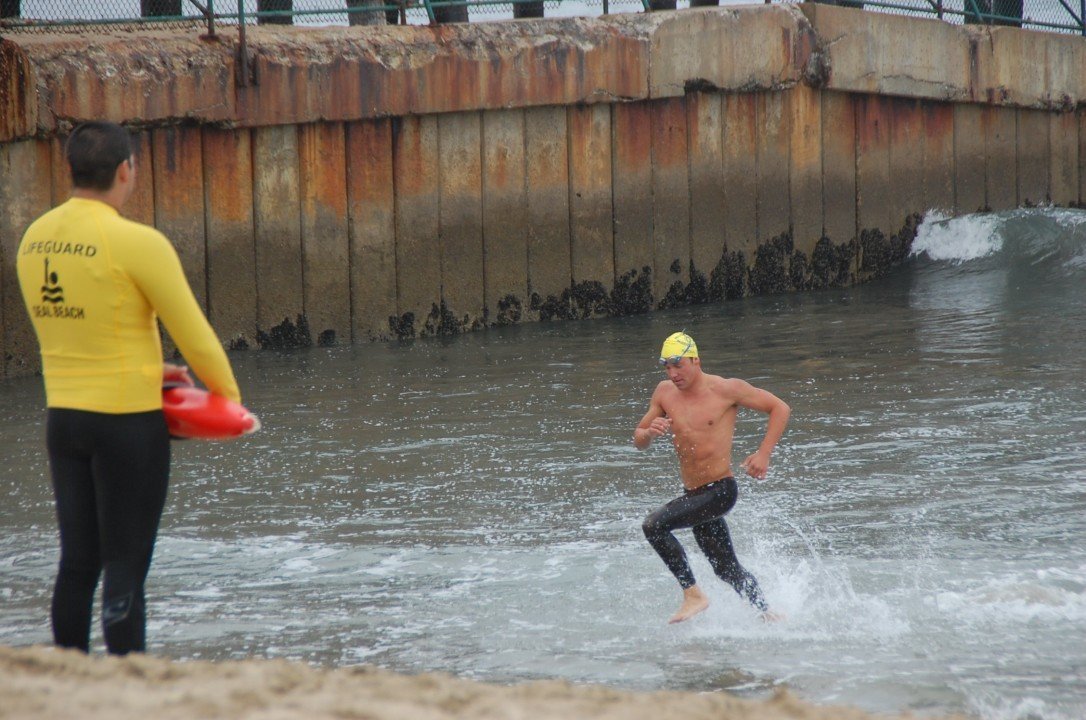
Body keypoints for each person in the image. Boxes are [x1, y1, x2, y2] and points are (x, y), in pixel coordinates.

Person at [16, 121, 242, 655]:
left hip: (65, 422)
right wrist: (229, 402)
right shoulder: (138, 242)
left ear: (72, 169)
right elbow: (197, 338)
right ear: (126, 170)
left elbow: (73, 332)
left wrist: (146, 365)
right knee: (126, 562)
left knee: (77, 562)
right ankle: (126, 678)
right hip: (127, 425)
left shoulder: (34, 239)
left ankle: (69, 672)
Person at [633, 331, 790, 624]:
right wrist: (648, 433)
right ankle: (768, 614)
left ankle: (693, 594)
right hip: (695, 494)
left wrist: (763, 454)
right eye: (667, 367)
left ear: (696, 360)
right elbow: (639, 439)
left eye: (678, 365)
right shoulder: (664, 393)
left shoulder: (726, 389)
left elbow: (779, 408)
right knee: (726, 569)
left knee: (654, 525)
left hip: (720, 491)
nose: (673, 373)